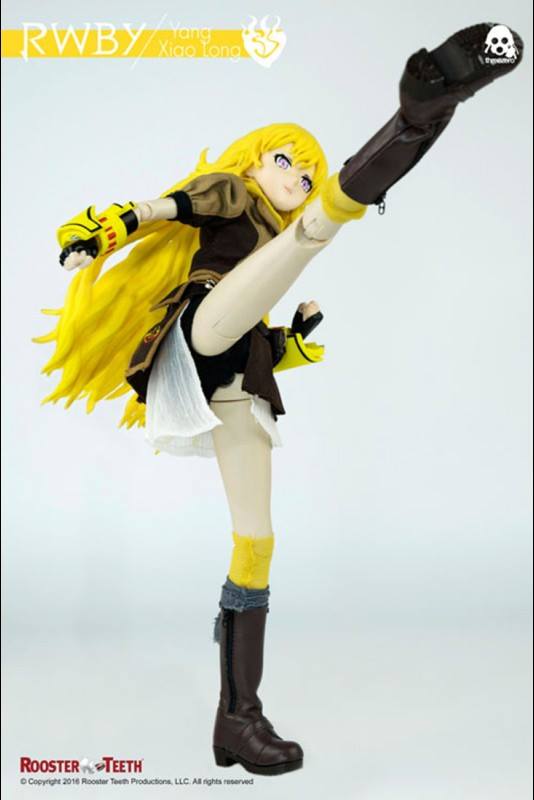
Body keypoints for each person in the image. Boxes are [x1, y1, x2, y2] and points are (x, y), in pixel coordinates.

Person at [36, 22, 523, 776]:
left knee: (256, 540)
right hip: (202, 327)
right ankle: (416, 116)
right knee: (313, 232)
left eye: (307, 168)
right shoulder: (234, 194)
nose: (296, 172)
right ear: (255, 159)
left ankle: (237, 719)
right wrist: (108, 226)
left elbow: (255, 327)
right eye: (286, 158)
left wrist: (291, 343)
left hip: (239, 369)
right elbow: (171, 206)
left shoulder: (273, 239)